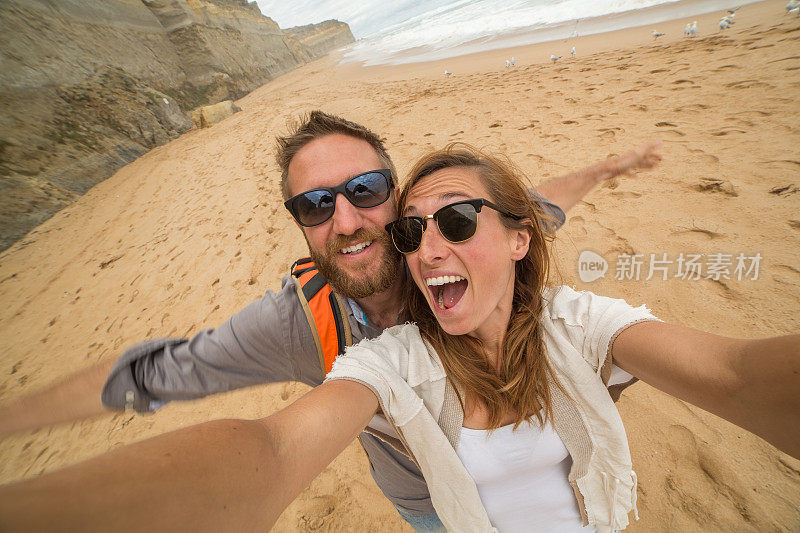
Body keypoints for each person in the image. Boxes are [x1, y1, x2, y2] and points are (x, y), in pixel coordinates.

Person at [0, 144, 796, 532]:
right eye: (314, 205)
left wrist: (604, 168)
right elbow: (250, 435)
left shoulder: (562, 315)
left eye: (365, 192)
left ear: (387, 192)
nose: (344, 219)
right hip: (435, 508)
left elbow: (730, 372)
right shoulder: (338, 339)